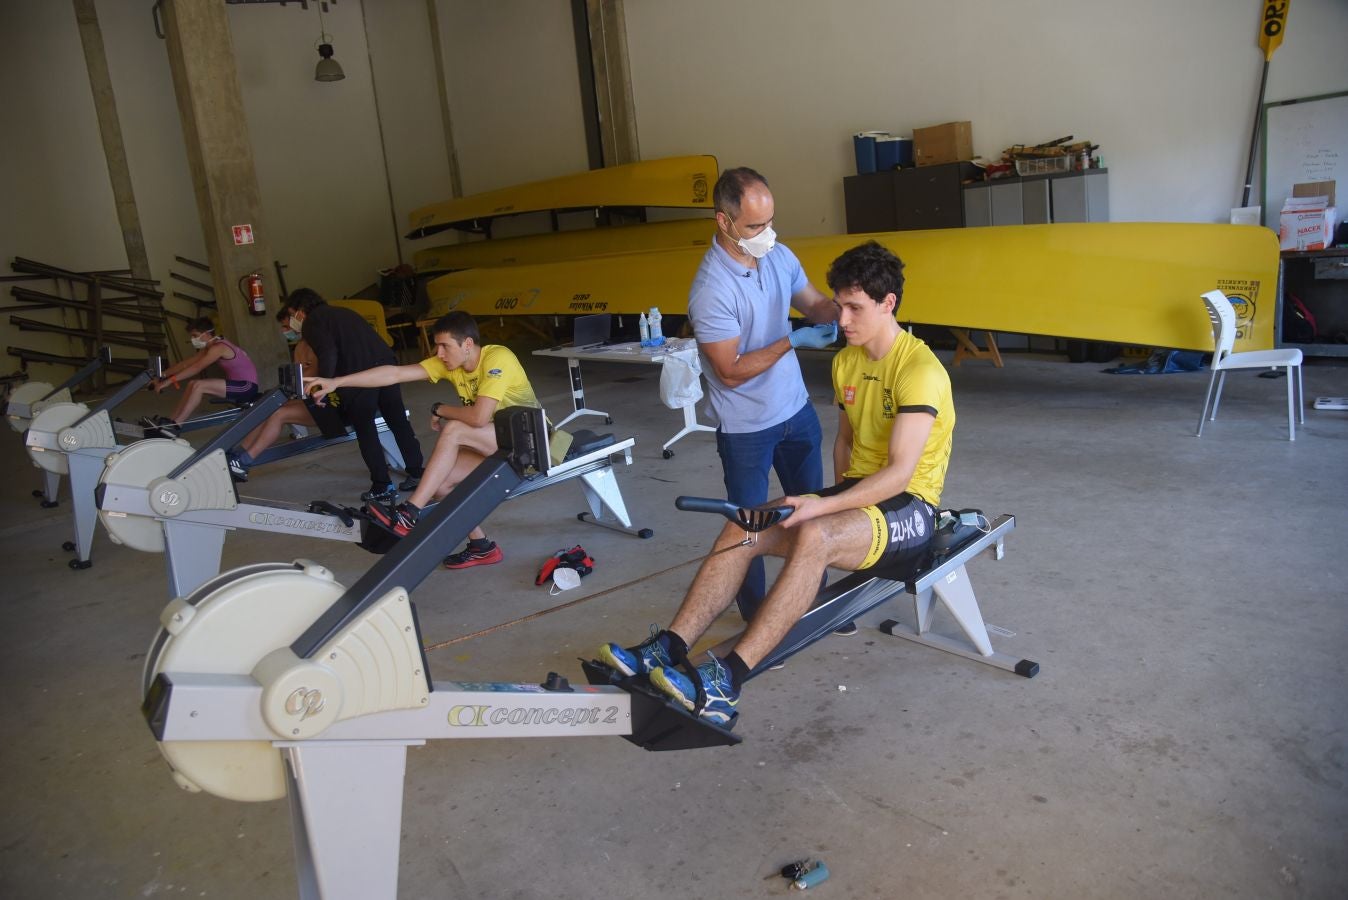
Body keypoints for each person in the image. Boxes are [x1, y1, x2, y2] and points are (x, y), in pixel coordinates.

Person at [597, 241, 954, 725]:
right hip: (863, 497)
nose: (840, 319)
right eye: (839, 304)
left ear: (888, 303)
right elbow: (845, 443)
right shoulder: (847, 360)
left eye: (854, 308)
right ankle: (669, 646)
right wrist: (829, 496)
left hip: (912, 507)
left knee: (815, 533)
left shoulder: (919, 369)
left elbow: (899, 473)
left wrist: (827, 510)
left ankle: (728, 680)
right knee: (741, 525)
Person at [688, 166, 841, 623]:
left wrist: (851, 305)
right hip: (746, 426)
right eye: (754, 226)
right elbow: (730, 372)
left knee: (812, 511)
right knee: (748, 526)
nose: (765, 233)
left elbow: (812, 302)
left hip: (795, 410)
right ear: (724, 222)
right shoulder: (711, 291)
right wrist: (792, 341)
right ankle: (756, 613)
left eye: (770, 221)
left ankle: (813, 596)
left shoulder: (777, 255)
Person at [305, 311, 541, 570]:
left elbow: (478, 417)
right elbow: (393, 374)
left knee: (455, 428)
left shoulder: (498, 358)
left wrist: (441, 409)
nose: (439, 353)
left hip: (532, 441)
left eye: (445, 346)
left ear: (468, 345)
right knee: (440, 483)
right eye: (437, 345)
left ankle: (409, 513)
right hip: (498, 441)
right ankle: (482, 547)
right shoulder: (453, 363)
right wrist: (337, 382)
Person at [224, 288, 425, 503]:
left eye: (292, 315)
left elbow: (328, 352)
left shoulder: (313, 322)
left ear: (301, 310)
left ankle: (382, 485)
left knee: (366, 430)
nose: (292, 321)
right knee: (398, 422)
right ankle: (417, 473)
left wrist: (325, 385)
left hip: (360, 376)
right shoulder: (341, 313)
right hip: (385, 368)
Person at [141, 317, 258, 436]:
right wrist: (161, 376)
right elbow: (186, 364)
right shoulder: (211, 345)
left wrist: (168, 382)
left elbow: (197, 367)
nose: (193, 339)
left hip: (247, 387)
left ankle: (176, 425)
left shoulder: (218, 348)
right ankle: (169, 422)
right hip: (237, 385)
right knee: (192, 384)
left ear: (206, 334)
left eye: (195, 335)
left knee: (199, 385)